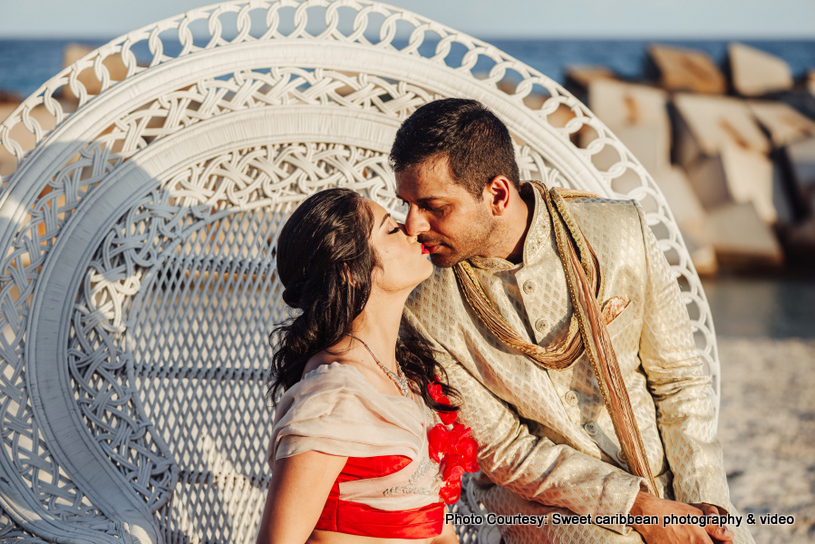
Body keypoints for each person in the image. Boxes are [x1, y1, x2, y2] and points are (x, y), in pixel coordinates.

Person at [391, 98, 754, 544]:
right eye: (406, 204)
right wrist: (638, 509)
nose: (412, 225)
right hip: (543, 507)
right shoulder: (425, 309)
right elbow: (506, 451)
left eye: (433, 206)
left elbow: (679, 382)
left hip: (667, 478)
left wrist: (706, 508)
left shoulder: (619, 233)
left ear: (498, 195)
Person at [256, 188, 474, 544]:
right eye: (391, 230)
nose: (412, 231)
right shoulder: (334, 398)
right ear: (349, 271)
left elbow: (436, 526)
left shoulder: (409, 377)